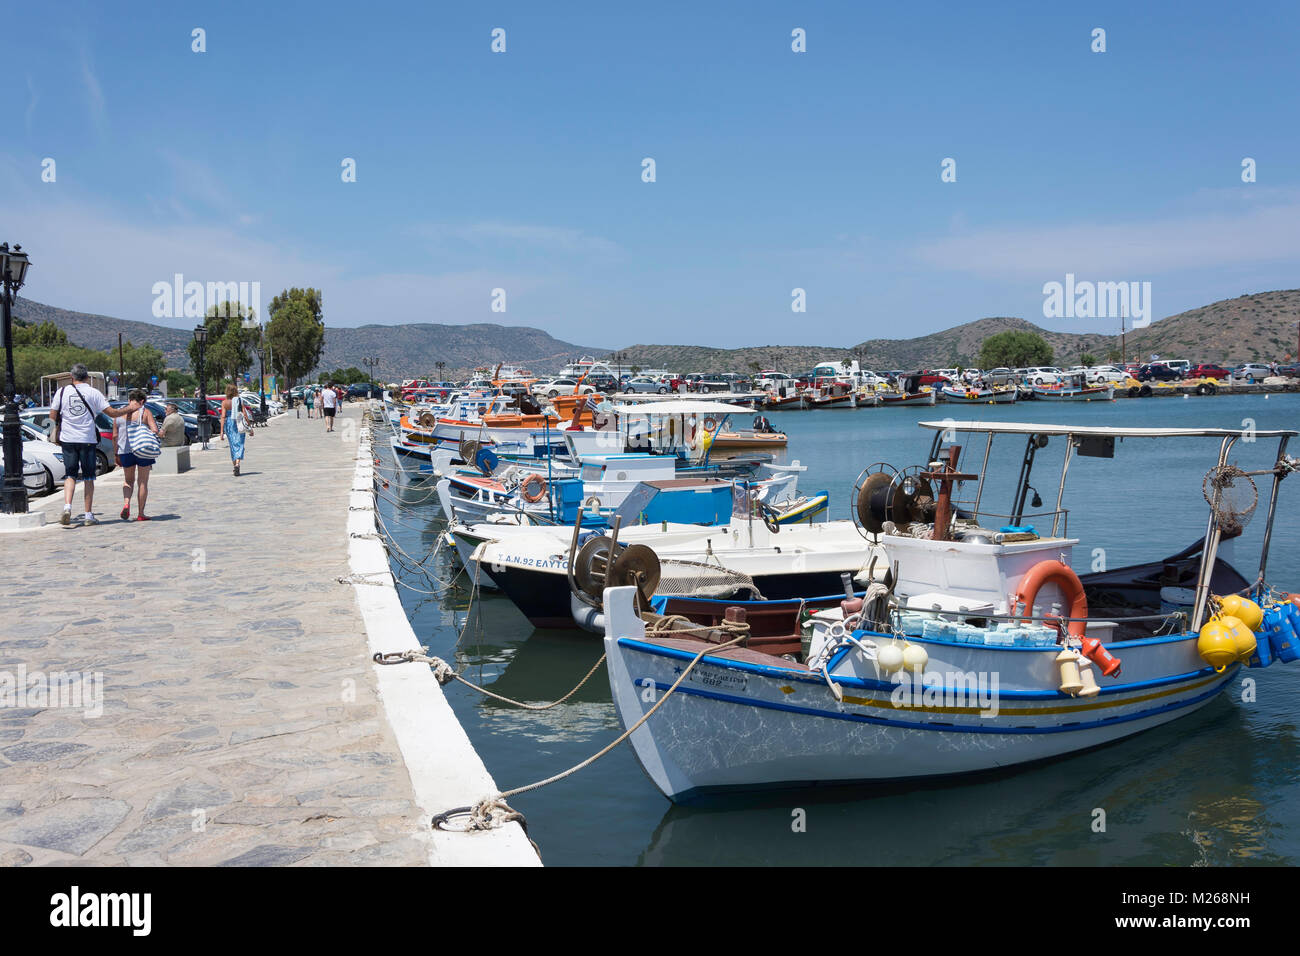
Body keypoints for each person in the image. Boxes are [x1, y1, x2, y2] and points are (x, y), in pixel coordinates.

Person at [49, 363, 141, 526]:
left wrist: (52, 433)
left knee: (70, 475)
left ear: (72, 377)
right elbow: (112, 413)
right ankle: (88, 515)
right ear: (87, 377)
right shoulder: (93, 393)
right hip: (87, 440)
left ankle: (67, 507)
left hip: (68, 439)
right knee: (89, 477)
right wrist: (129, 409)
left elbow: (52, 415)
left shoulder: (61, 392)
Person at [114, 388, 163, 521]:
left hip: (125, 451)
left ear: (130, 400)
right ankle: (141, 513)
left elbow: (115, 436)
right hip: (142, 449)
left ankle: (126, 503)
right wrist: (159, 434)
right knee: (142, 482)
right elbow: (154, 430)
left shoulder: (119, 414)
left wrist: (116, 454)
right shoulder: (145, 412)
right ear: (142, 401)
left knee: (128, 480)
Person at [219, 384, 250, 476]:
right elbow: (244, 414)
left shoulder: (224, 402)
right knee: (240, 444)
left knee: (233, 445)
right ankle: (237, 464)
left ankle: (235, 466)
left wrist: (221, 432)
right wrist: (249, 425)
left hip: (229, 424)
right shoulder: (239, 401)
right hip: (239, 423)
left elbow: (223, 416)